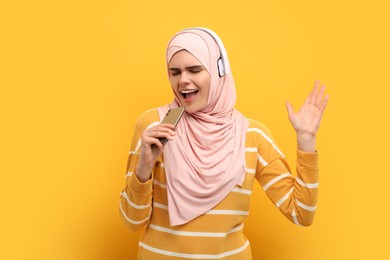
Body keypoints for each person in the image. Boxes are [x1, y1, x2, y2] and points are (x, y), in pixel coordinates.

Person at [119, 27, 329, 259]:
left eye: (195, 69)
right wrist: (143, 169)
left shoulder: (252, 135)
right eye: (175, 72)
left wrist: (306, 140)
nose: (183, 80)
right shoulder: (154, 126)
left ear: (220, 70)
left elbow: (301, 213)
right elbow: (131, 220)